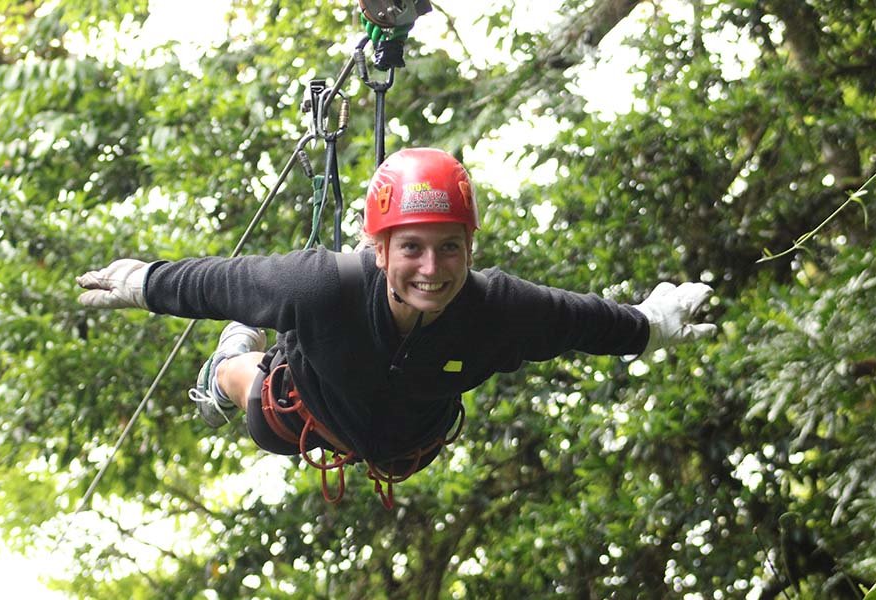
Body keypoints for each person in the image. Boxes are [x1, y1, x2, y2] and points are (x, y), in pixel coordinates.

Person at [75, 147, 716, 506]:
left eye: (449, 248)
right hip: (306, 408)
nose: (432, 270)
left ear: (470, 247)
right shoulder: (321, 286)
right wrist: (140, 283)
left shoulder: (498, 311)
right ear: (378, 249)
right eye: (411, 248)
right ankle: (233, 354)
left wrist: (655, 324)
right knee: (256, 405)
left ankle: (256, 342)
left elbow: (590, 324)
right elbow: (216, 283)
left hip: (408, 442)